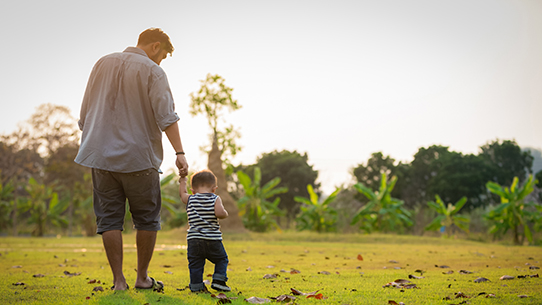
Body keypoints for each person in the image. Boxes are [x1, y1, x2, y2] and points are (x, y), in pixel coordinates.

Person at [75, 28, 188, 291]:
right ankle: (142, 278)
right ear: (155, 46)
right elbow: (166, 117)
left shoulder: (102, 62)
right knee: (147, 218)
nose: (160, 62)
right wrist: (179, 153)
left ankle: (118, 282)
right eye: (162, 56)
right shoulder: (153, 71)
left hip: (100, 158)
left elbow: (84, 115)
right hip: (139, 159)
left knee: (109, 219)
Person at [179, 169, 231, 292]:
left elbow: (182, 195)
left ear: (193, 190)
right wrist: (225, 213)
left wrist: (182, 180)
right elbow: (220, 213)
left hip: (194, 239)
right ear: (214, 188)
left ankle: (196, 287)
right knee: (221, 259)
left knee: (195, 264)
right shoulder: (215, 198)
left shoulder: (190, 199)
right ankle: (218, 281)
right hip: (212, 239)